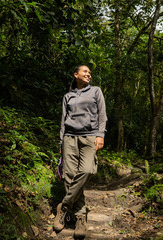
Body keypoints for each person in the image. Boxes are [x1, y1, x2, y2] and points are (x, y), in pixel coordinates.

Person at [54, 65, 107, 238]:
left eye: (90, 73)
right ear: (75, 74)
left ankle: (64, 205)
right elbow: (63, 120)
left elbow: (102, 115)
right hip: (69, 137)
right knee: (69, 174)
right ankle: (80, 217)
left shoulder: (96, 91)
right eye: (85, 72)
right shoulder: (67, 96)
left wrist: (100, 135)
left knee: (87, 170)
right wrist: (61, 142)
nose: (88, 74)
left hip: (89, 137)